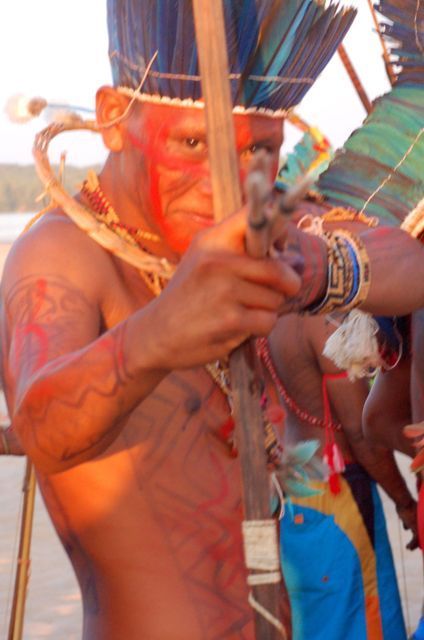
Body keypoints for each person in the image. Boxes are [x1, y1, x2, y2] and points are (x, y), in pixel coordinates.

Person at [0, 1, 358, 638]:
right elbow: (40, 423)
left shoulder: (233, 250)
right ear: (113, 117)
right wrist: (156, 336)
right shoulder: (63, 253)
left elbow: (400, 256)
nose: (228, 179)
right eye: (194, 143)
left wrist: (321, 268)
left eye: (262, 151)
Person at [258, 311, 416, 639]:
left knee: (319, 622)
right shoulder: (321, 322)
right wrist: (405, 503)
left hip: (291, 490)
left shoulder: (266, 317)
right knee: (364, 619)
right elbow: (361, 433)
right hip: (339, 495)